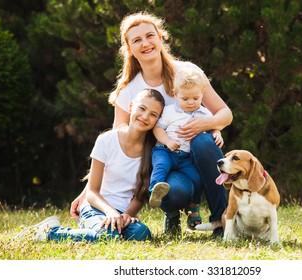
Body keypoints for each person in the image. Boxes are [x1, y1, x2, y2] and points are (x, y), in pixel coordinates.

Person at [71, 11, 232, 236]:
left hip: (195, 155)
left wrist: (208, 124)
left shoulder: (188, 73)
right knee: (172, 191)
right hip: (162, 159)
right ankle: (172, 213)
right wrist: (89, 190)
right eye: (137, 40)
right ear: (129, 49)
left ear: (160, 37)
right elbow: (116, 143)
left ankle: (221, 221)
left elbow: (226, 114)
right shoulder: (128, 92)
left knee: (204, 142)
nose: (145, 43)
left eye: (150, 36)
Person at [17, 89, 165, 242]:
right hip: (95, 208)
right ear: (131, 107)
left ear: (157, 120)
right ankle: (50, 232)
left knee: (142, 233)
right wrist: (110, 212)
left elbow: (140, 196)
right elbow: (92, 192)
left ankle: (97, 233)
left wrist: (127, 215)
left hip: (123, 213)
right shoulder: (106, 140)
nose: (145, 116)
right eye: (142, 108)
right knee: (109, 237)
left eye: (153, 114)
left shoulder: (153, 151)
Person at [148, 67, 224, 231]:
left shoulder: (204, 113)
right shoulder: (169, 111)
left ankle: (194, 207)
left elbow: (214, 126)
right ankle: (155, 189)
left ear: (202, 95)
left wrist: (217, 133)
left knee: (197, 179)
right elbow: (157, 129)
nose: (191, 102)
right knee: (161, 166)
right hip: (165, 150)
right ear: (175, 94)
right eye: (185, 98)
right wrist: (168, 141)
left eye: (196, 98)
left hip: (186, 158)